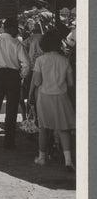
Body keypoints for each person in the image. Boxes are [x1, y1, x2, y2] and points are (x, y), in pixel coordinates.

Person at [29, 29, 75, 172]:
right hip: (62, 97)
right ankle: (68, 161)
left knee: (44, 128)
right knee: (63, 129)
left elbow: (36, 81)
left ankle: (42, 157)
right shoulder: (65, 60)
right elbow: (71, 83)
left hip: (44, 96)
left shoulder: (40, 60)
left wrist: (31, 93)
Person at [0, 17, 30, 149]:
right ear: (13, 28)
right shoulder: (16, 43)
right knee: (12, 109)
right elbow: (26, 63)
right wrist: (21, 76)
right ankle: (9, 141)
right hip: (12, 75)